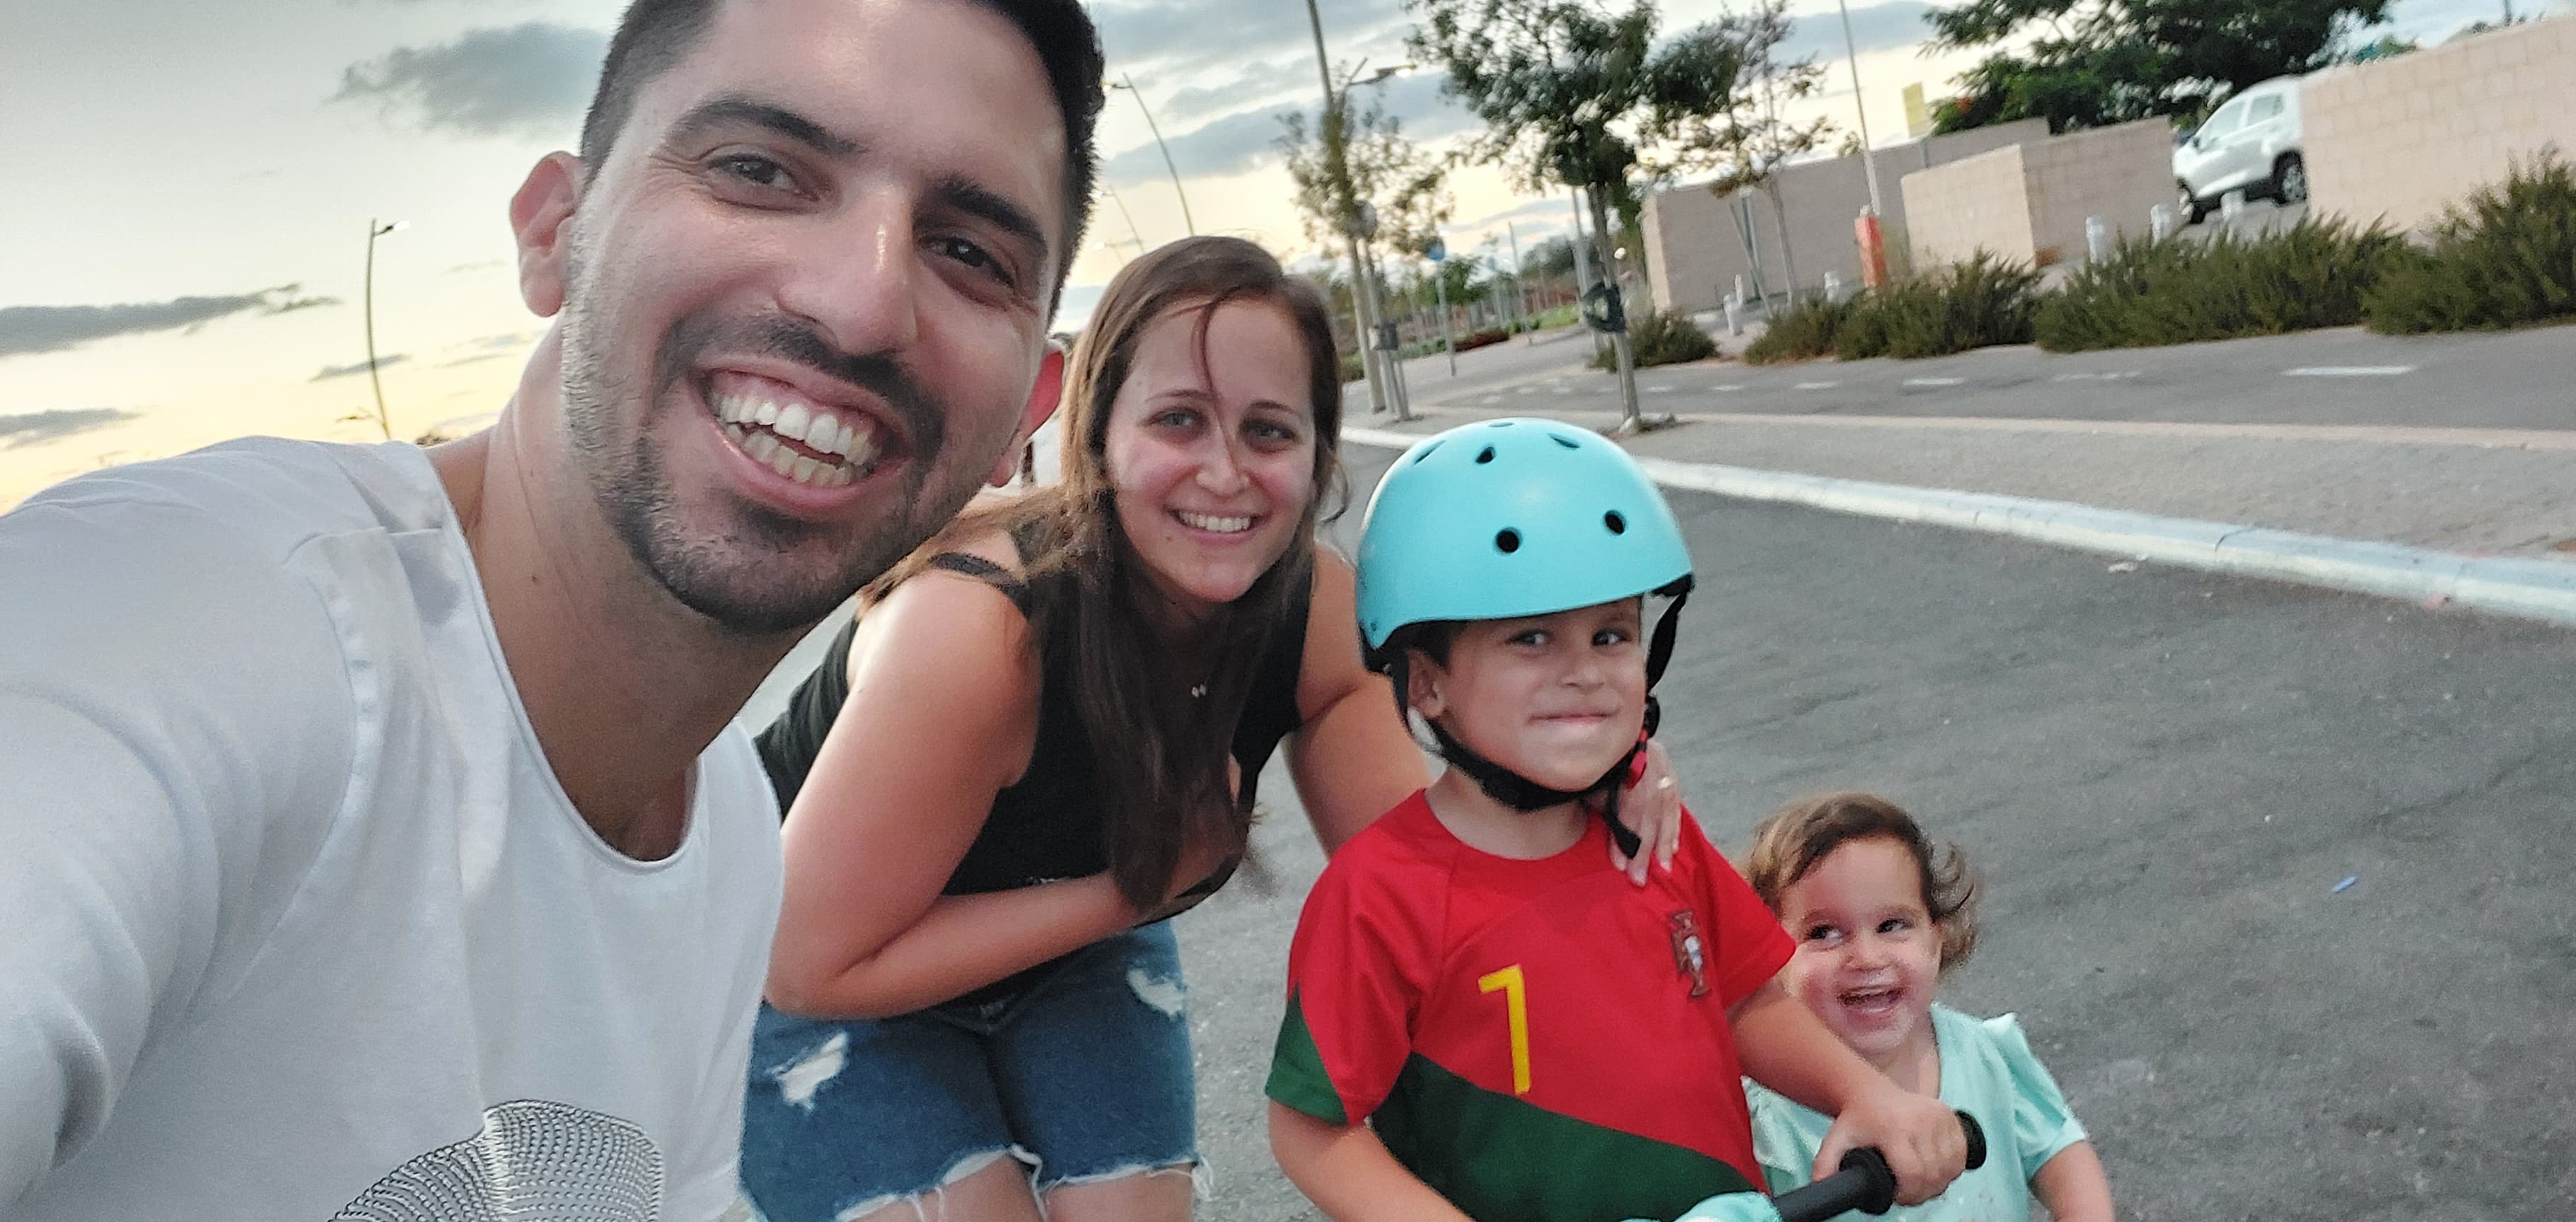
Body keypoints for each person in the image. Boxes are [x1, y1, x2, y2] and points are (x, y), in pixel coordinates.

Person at [0, 0, 1100, 1215]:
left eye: (970, 253)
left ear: (1026, 412)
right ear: (554, 234)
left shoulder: (724, 824)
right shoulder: (178, 624)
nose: (861, 302)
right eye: (758, 170)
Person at [741, 238, 1692, 1222]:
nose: (1227, 474)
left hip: (1059, 949)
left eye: (1270, 431)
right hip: (799, 968)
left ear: (1321, 453)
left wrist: (1571, 777)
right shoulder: (981, 629)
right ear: (1100, 433)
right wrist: (1141, 886)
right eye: (1180, 421)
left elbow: (1440, 909)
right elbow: (806, 965)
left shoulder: (1314, 611)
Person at [1263, 417, 1970, 1222]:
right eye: (1530, 638)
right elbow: (1311, 1124)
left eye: (1611, 634)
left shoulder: (1657, 836)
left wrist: (1865, 1094)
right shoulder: (1380, 897)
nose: (1585, 672)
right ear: (1426, 682)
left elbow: (1746, 1002)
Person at [1741, 793, 2116, 1222]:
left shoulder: (1984, 1054)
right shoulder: (1762, 1121)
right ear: (1767, 957)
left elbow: (2061, 1155)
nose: (1867, 956)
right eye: (1824, 932)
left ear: (1936, 940)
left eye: (1892, 925)